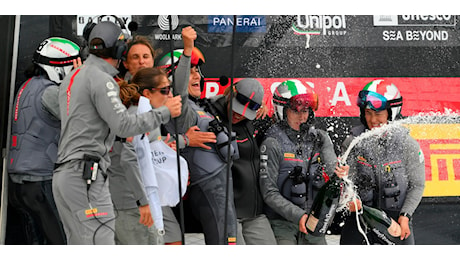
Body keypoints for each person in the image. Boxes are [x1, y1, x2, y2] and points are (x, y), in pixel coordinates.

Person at [49, 21, 182, 245]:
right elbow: (124, 126)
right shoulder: (102, 80)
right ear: (120, 50)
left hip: (65, 176)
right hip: (86, 176)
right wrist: (164, 113)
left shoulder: (73, 77)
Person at [162, 42, 239, 245]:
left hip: (222, 187)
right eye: (191, 72)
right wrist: (187, 51)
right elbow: (179, 91)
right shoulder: (179, 107)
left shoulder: (200, 105)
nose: (198, 77)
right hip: (209, 187)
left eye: (198, 72)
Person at [7, 37, 80, 245]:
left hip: (20, 183)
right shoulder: (50, 92)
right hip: (40, 181)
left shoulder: (28, 86)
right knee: (62, 243)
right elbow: (82, 120)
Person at [258, 79, 349, 245]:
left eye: (306, 110)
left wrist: (339, 173)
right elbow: (268, 192)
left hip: (313, 222)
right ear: (282, 110)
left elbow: (332, 170)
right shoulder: (272, 143)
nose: (302, 116)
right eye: (296, 111)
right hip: (281, 223)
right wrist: (298, 215)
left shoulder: (320, 138)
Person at [339, 79, 425, 245]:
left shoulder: (408, 145)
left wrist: (405, 216)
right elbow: (346, 183)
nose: (372, 120)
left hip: (396, 222)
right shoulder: (352, 143)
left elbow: (417, 185)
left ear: (391, 114)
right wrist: (349, 198)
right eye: (368, 113)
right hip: (360, 219)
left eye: (378, 114)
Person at [210, 78, 277, 245]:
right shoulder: (210, 113)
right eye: (236, 108)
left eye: (245, 112)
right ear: (231, 95)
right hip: (227, 210)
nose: (238, 115)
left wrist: (268, 114)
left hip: (254, 210)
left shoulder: (255, 120)